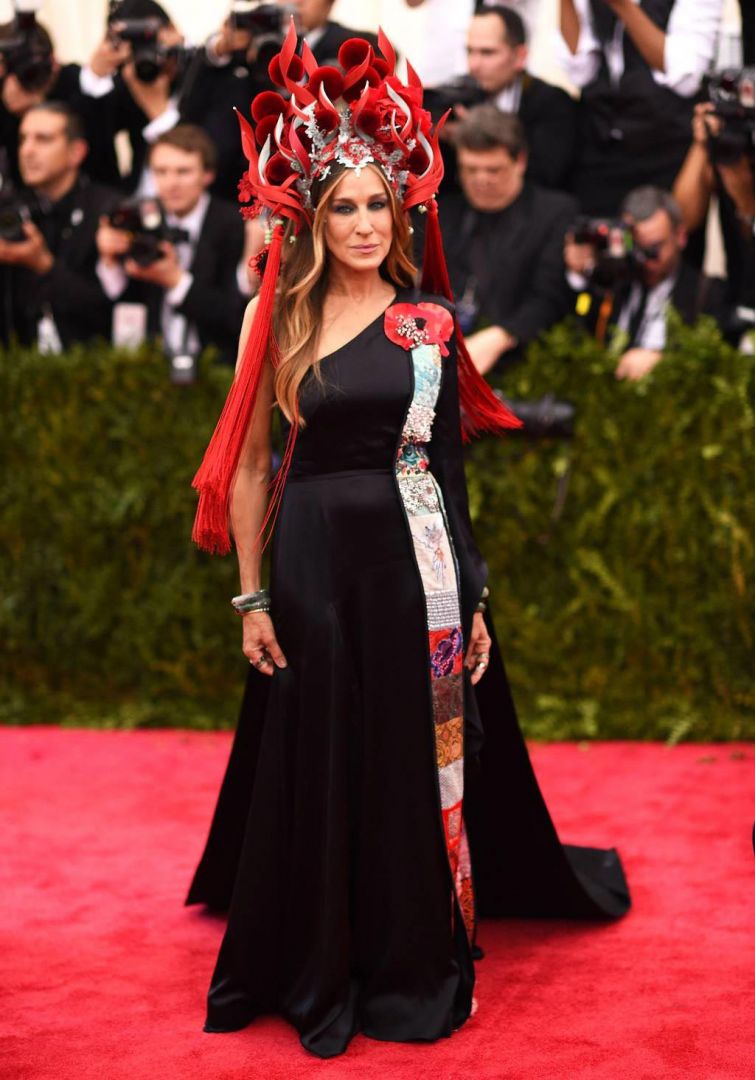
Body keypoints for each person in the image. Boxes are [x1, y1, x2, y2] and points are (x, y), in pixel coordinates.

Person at [185, 24, 630, 1059]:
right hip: (309, 564)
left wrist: (471, 595)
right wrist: (250, 597)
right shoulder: (274, 320)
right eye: (341, 206)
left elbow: (446, 469)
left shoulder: (427, 322)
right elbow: (248, 469)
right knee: (317, 749)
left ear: (400, 212)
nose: (359, 223)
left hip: (410, 566)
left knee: (405, 758)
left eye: (375, 205)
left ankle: (406, 951)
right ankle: (314, 954)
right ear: (311, 215)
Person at [439, 105, 578, 375]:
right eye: (470, 169)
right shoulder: (442, 213)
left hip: (520, 364)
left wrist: (502, 336)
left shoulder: (554, 213)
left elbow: (550, 297)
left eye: (493, 170)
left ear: (520, 161)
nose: (481, 180)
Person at [95, 125, 247, 364]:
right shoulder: (141, 218)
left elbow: (238, 315)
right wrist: (109, 260)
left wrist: (176, 281)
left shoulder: (235, 226)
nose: (171, 183)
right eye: (161, 172)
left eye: (183, 171)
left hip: (219, 367)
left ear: (208, 175)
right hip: (151, 366)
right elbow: (119, 302)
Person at [557, 0, 723, 215]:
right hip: (602, 141)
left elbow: (686, 77)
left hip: (665, 148)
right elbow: (580, 71)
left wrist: (622, 6)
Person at [565, 185, 731, 379]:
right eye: (638, 247)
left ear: (680, 236)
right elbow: (576, 335)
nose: (646, 259)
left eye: (655, 247)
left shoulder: (707, 293)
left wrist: (664, 364)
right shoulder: (616, 285)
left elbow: (717, 365)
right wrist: (579, 273)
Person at [0, 102, 117, 350]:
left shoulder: (108, 211)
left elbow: (116, 310)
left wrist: (44, 266)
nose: (27, 151)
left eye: (42, 139)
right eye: (22, 140)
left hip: (94, 362)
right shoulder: (11, 212)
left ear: (76, 152)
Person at [673, 101, 755, 313]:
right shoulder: (728, 151)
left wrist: (746, 203)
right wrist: (702, 144)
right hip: (739, 293)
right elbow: (682, 222)